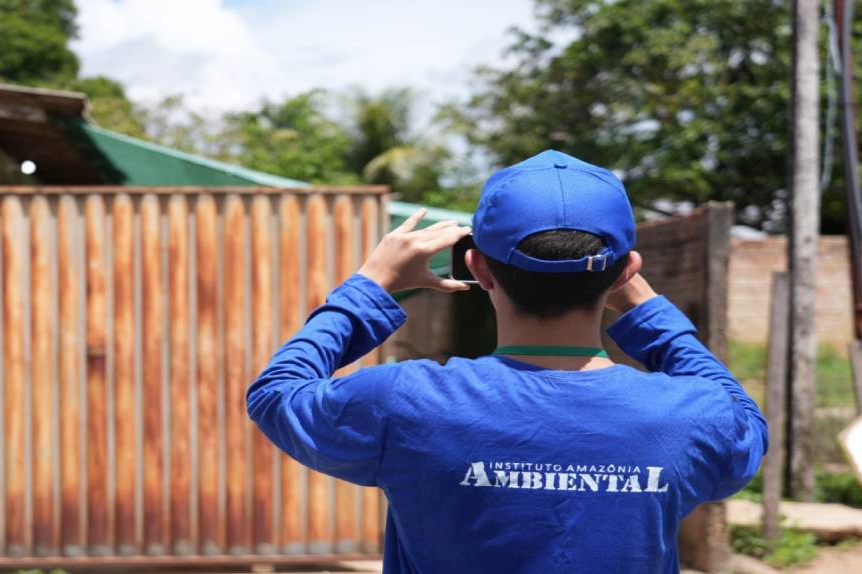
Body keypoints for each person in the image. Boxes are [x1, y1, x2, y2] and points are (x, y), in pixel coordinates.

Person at [247, 150, 767, 573]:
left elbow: (275, 394)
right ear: (624, 271)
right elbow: (745, 422)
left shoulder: (407, 403)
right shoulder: (689, 417)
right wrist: (651, 313)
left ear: (478, 267)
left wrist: (370, 286)